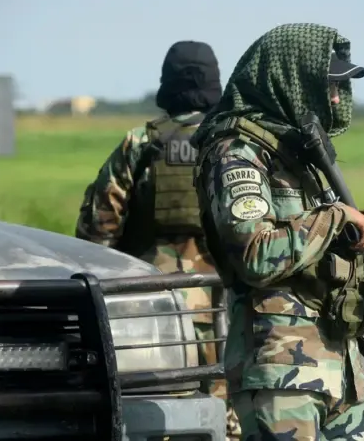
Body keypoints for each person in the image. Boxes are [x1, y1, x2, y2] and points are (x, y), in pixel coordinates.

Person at [189, 23, 364, 440]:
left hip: (338, 368)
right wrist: (335, 218)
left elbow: (318, 235)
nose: (335, 98)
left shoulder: (297, 154)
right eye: (329, 85)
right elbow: (256, 254)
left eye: (340, 88)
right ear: (292, 79)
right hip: (281, 371)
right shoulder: (237, 153)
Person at [74, 40, 241, 440]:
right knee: (229, 402)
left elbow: (98, 227)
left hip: (154, 301)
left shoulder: (142, 142)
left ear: (168, 83)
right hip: (229, 298)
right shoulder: (237, 140)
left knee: (159, 404)